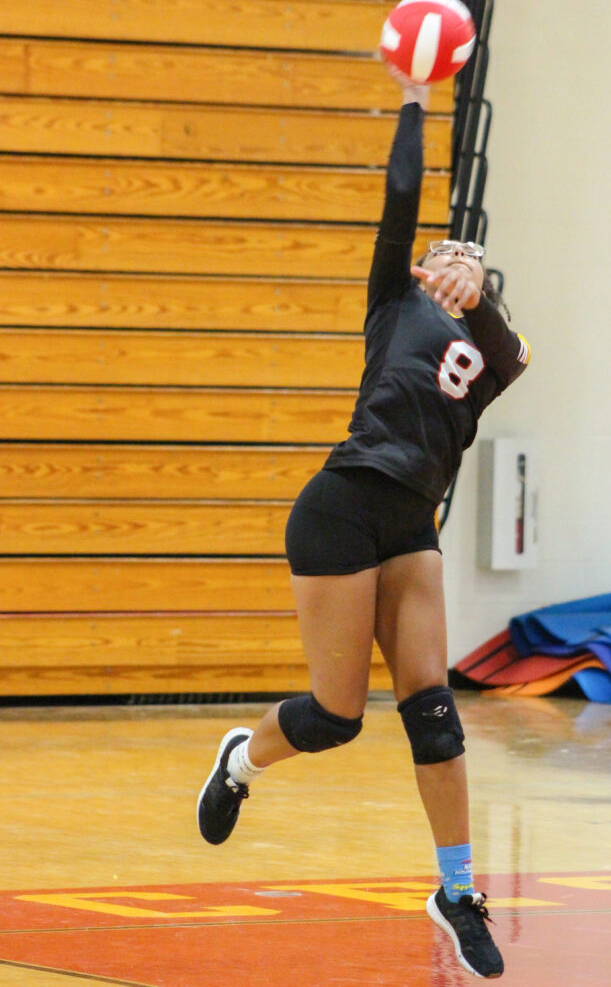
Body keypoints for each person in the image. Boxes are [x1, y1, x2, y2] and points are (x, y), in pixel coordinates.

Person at [197, 63, 530, 979]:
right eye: (438, 255)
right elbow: (400, 198)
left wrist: (482, 288)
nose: (445, 259)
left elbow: (515, 353)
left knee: (436, 716)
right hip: (340, 509)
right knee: (337, 716)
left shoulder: (487, 349)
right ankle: (239, 761)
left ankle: (457, 891)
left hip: (409, 526)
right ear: (415, 269)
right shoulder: (393, 301)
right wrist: (418, 95)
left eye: (461, 255)